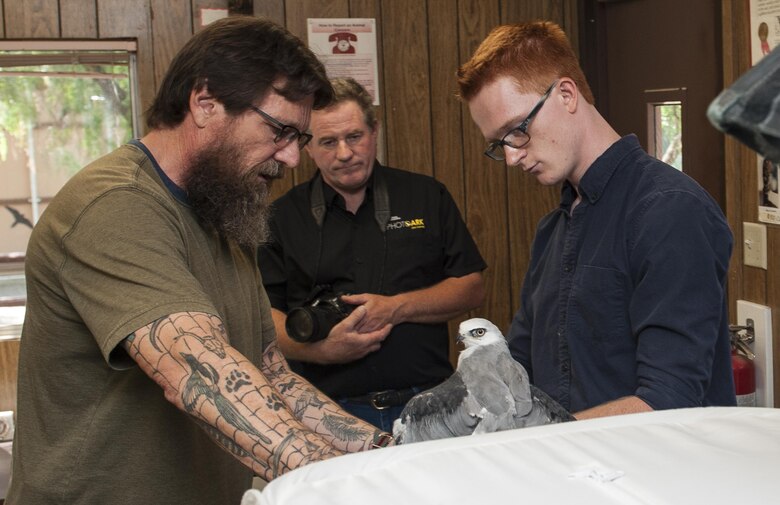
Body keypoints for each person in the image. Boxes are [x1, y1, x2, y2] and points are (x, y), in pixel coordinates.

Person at [7, 17, 393, 505]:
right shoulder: (115, 205)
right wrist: (354, 485)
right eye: (280, 131)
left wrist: (386, 451)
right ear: (205, 103)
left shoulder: (223, 211)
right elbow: (201, 371)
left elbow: (270, 374)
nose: (293, 158)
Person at [456, 21, 736, 419]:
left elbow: (669, 400)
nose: (513, 157)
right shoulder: (553, 229)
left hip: (661, 473)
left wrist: (539, 437)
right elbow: (520, 368)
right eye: (499, 145)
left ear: (566, 94)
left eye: (517, 131)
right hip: (574, 471)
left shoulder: (671, 210)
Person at [258, 77, 487, 431]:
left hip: (432, 407)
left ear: (374, 130)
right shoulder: (281, 218)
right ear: (307, 147)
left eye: (354, 137)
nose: (345, 154)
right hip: (327, 415)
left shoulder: (426, 196)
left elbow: (472, 286)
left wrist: (396, 308)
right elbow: (264, 316)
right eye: (328, 142)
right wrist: (320, 351)